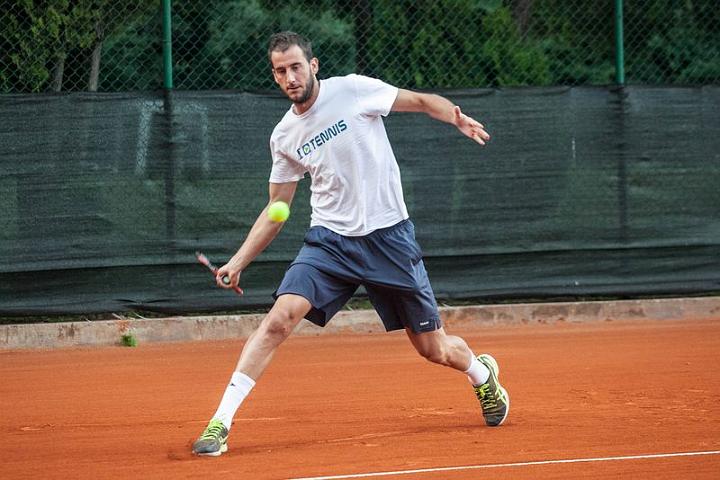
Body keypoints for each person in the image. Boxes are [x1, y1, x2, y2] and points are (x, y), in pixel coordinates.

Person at [192, 31, 509, 456]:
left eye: (296, 67)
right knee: (280, 318)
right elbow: (276, 208)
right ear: (274, 75)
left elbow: (419, 100)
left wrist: (454, 117)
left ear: (313, 65)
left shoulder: (354, 91)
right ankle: (220, 421)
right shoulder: (284, 135)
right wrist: (238, 261)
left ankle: (481, 375)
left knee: (433, 349)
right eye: (281, 71)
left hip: (389, 239)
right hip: (331, 243)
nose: (290, 77)